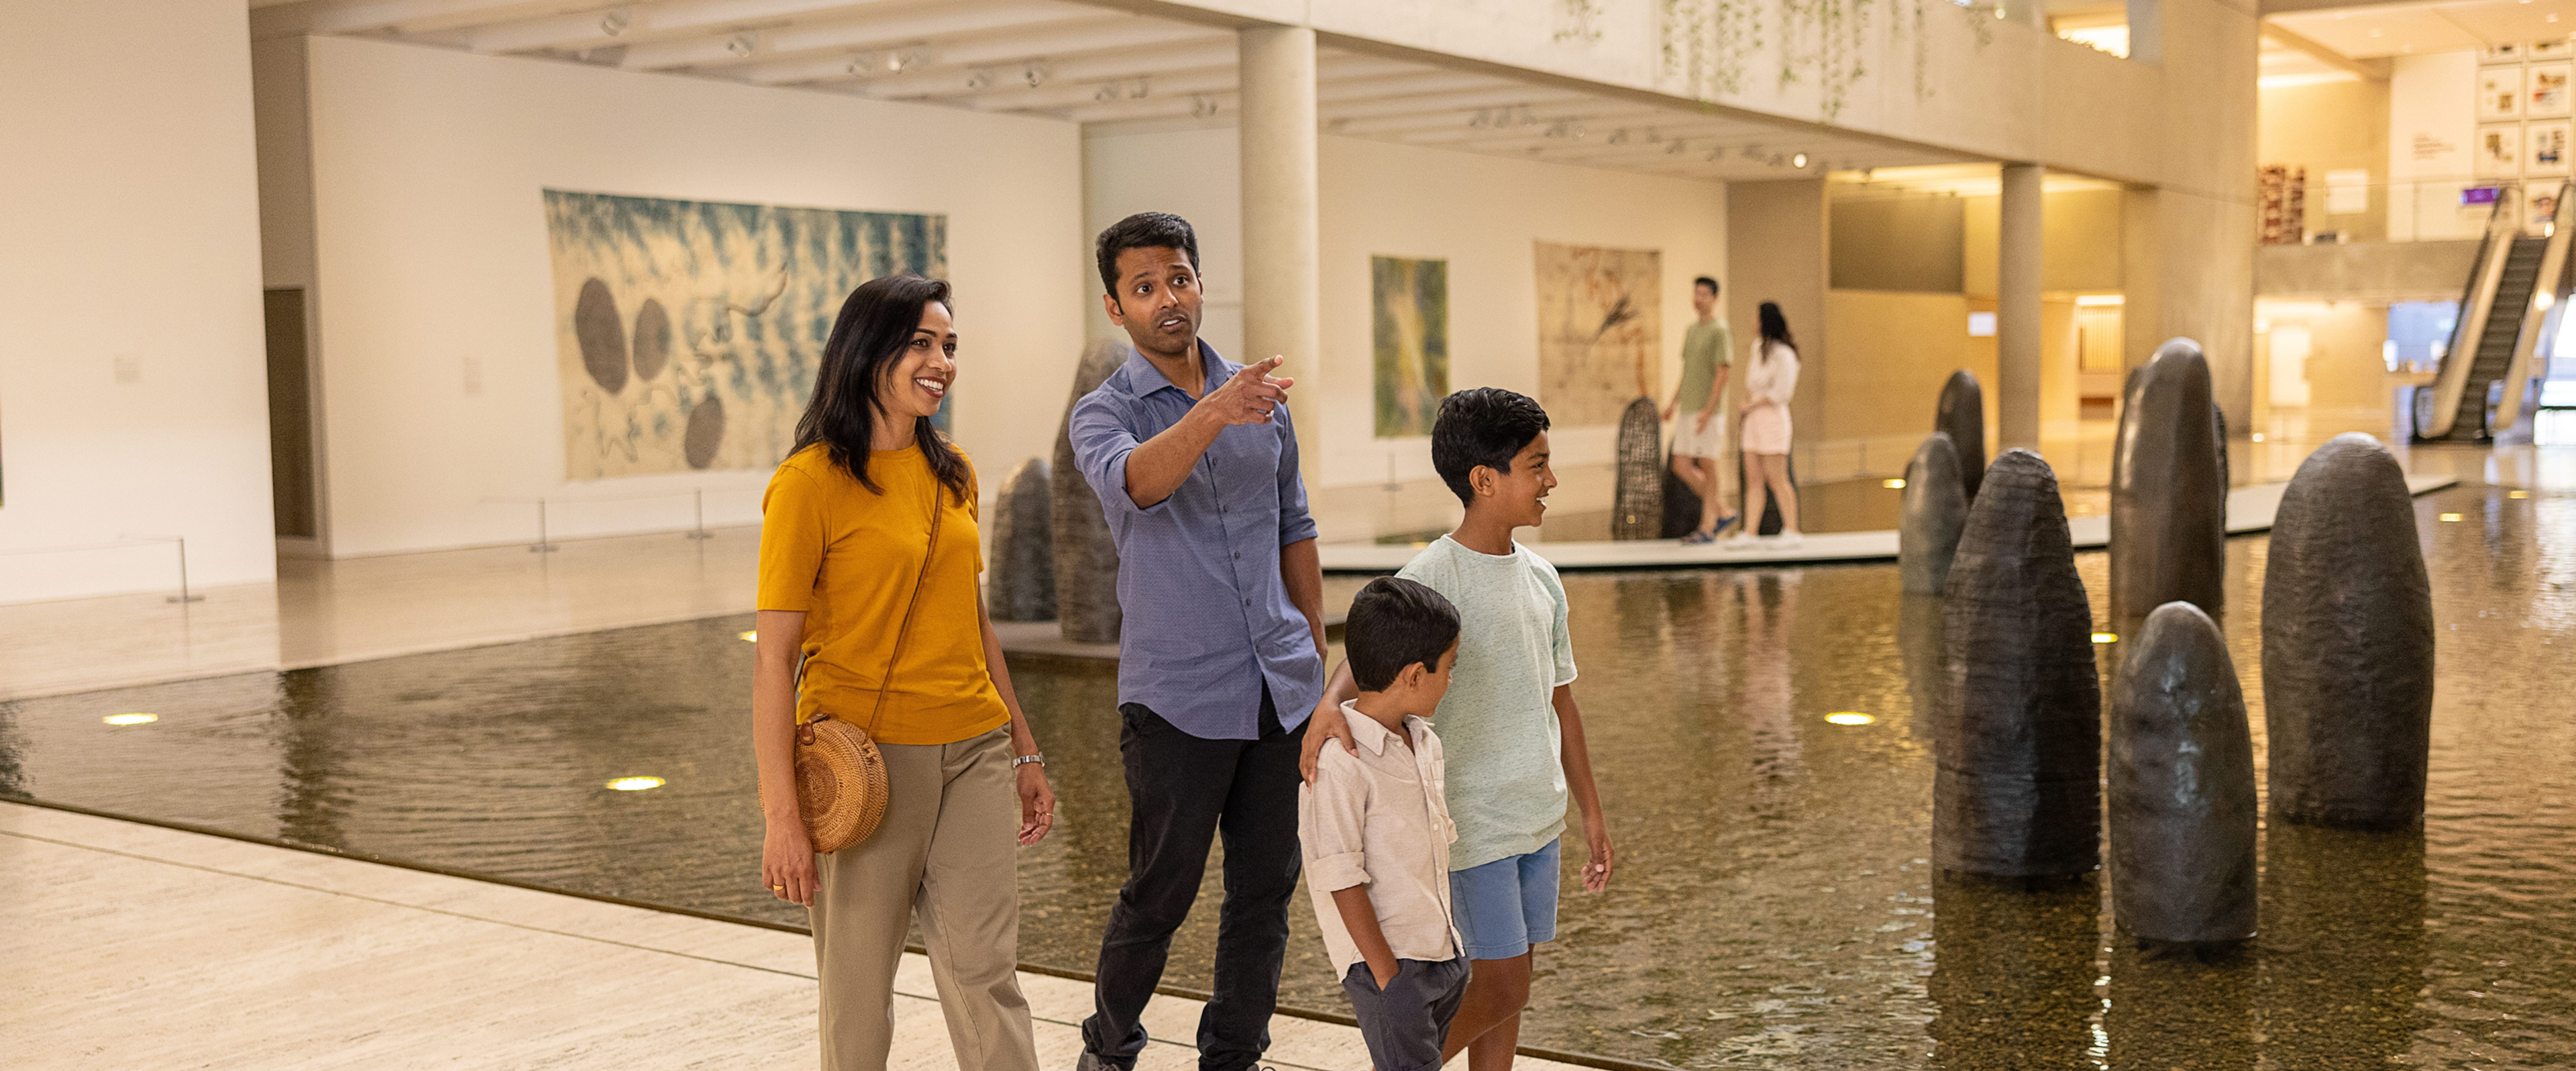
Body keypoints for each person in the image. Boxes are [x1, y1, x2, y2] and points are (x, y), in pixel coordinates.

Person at [751, 274, 1058, 1071]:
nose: (941, 361)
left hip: (975, 750)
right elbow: (775, 658)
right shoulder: (807, 485)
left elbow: (974, 619)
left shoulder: (953, 471)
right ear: (868, 350)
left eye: (949, 346)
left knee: (988, 976)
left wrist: (1023, 746)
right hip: (867, 763)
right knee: (857, 995)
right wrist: (782, 813)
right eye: (921, 343)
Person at [1067, 212, 1329, 1071]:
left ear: (1201, 282)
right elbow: (1140, 484)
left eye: (1179, 278)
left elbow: (1295, 526)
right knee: (1160, 896)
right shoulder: (1103, 416)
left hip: (1279, 687)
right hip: (1176, 697)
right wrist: (1216, 410)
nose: (1168, 299)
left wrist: (1315, 664)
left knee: (1264, 895)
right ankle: (1110, 1046)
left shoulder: (1263, 399)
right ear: (1118, 308)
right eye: (1145, 288)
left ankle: (1234, 1056)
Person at [1304, 387, 1615, 1071]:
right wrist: (1329, 704)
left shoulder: (1543, 580)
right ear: (1485, 480)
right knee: (1504, 983)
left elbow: (1562, 703)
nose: (1551, 481)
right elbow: (1370, 655)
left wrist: (1590, 813)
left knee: (1507, 998)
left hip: (1537, 819)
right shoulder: (1433, 576)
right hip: (1471, 828)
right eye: (1537, 466)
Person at [1299, 576, 1470, 1071]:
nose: (1452, 680)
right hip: (1391, 968)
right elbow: (1339, 875)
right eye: (1450, 668)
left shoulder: (1426, 743)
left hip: (1442, 952)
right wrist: (1388, 976)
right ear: (1415, 675)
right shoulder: (1340, 764)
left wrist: (1454, 951)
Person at [1663, 275, 1740, 544]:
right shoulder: (1692, 330)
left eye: (1704, 294)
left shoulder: (1720, 331)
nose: (1699, 299)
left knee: (1708, 464)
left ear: (1715, 298)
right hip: (1689, 409)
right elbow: (1687, 372)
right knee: (1680, 464)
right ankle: (1722, 510)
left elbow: (1723, 372)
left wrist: (1710, 409)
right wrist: (1673, 403)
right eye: (1696, 293)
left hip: (1708, 411)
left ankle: (1708, 526)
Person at [1733, 301, 1803, 548]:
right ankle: (1750, 532)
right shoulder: (1757, 348)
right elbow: (1752, 385)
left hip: (1773, 419)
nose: (1753, 322)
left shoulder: (1785, 354)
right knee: (1754, 479)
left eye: (1756, 318)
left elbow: (1781, 393)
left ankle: (1792, 530)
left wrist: (1754, 403)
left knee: (1778, 477)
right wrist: (1746, 404)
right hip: (1754, 420)